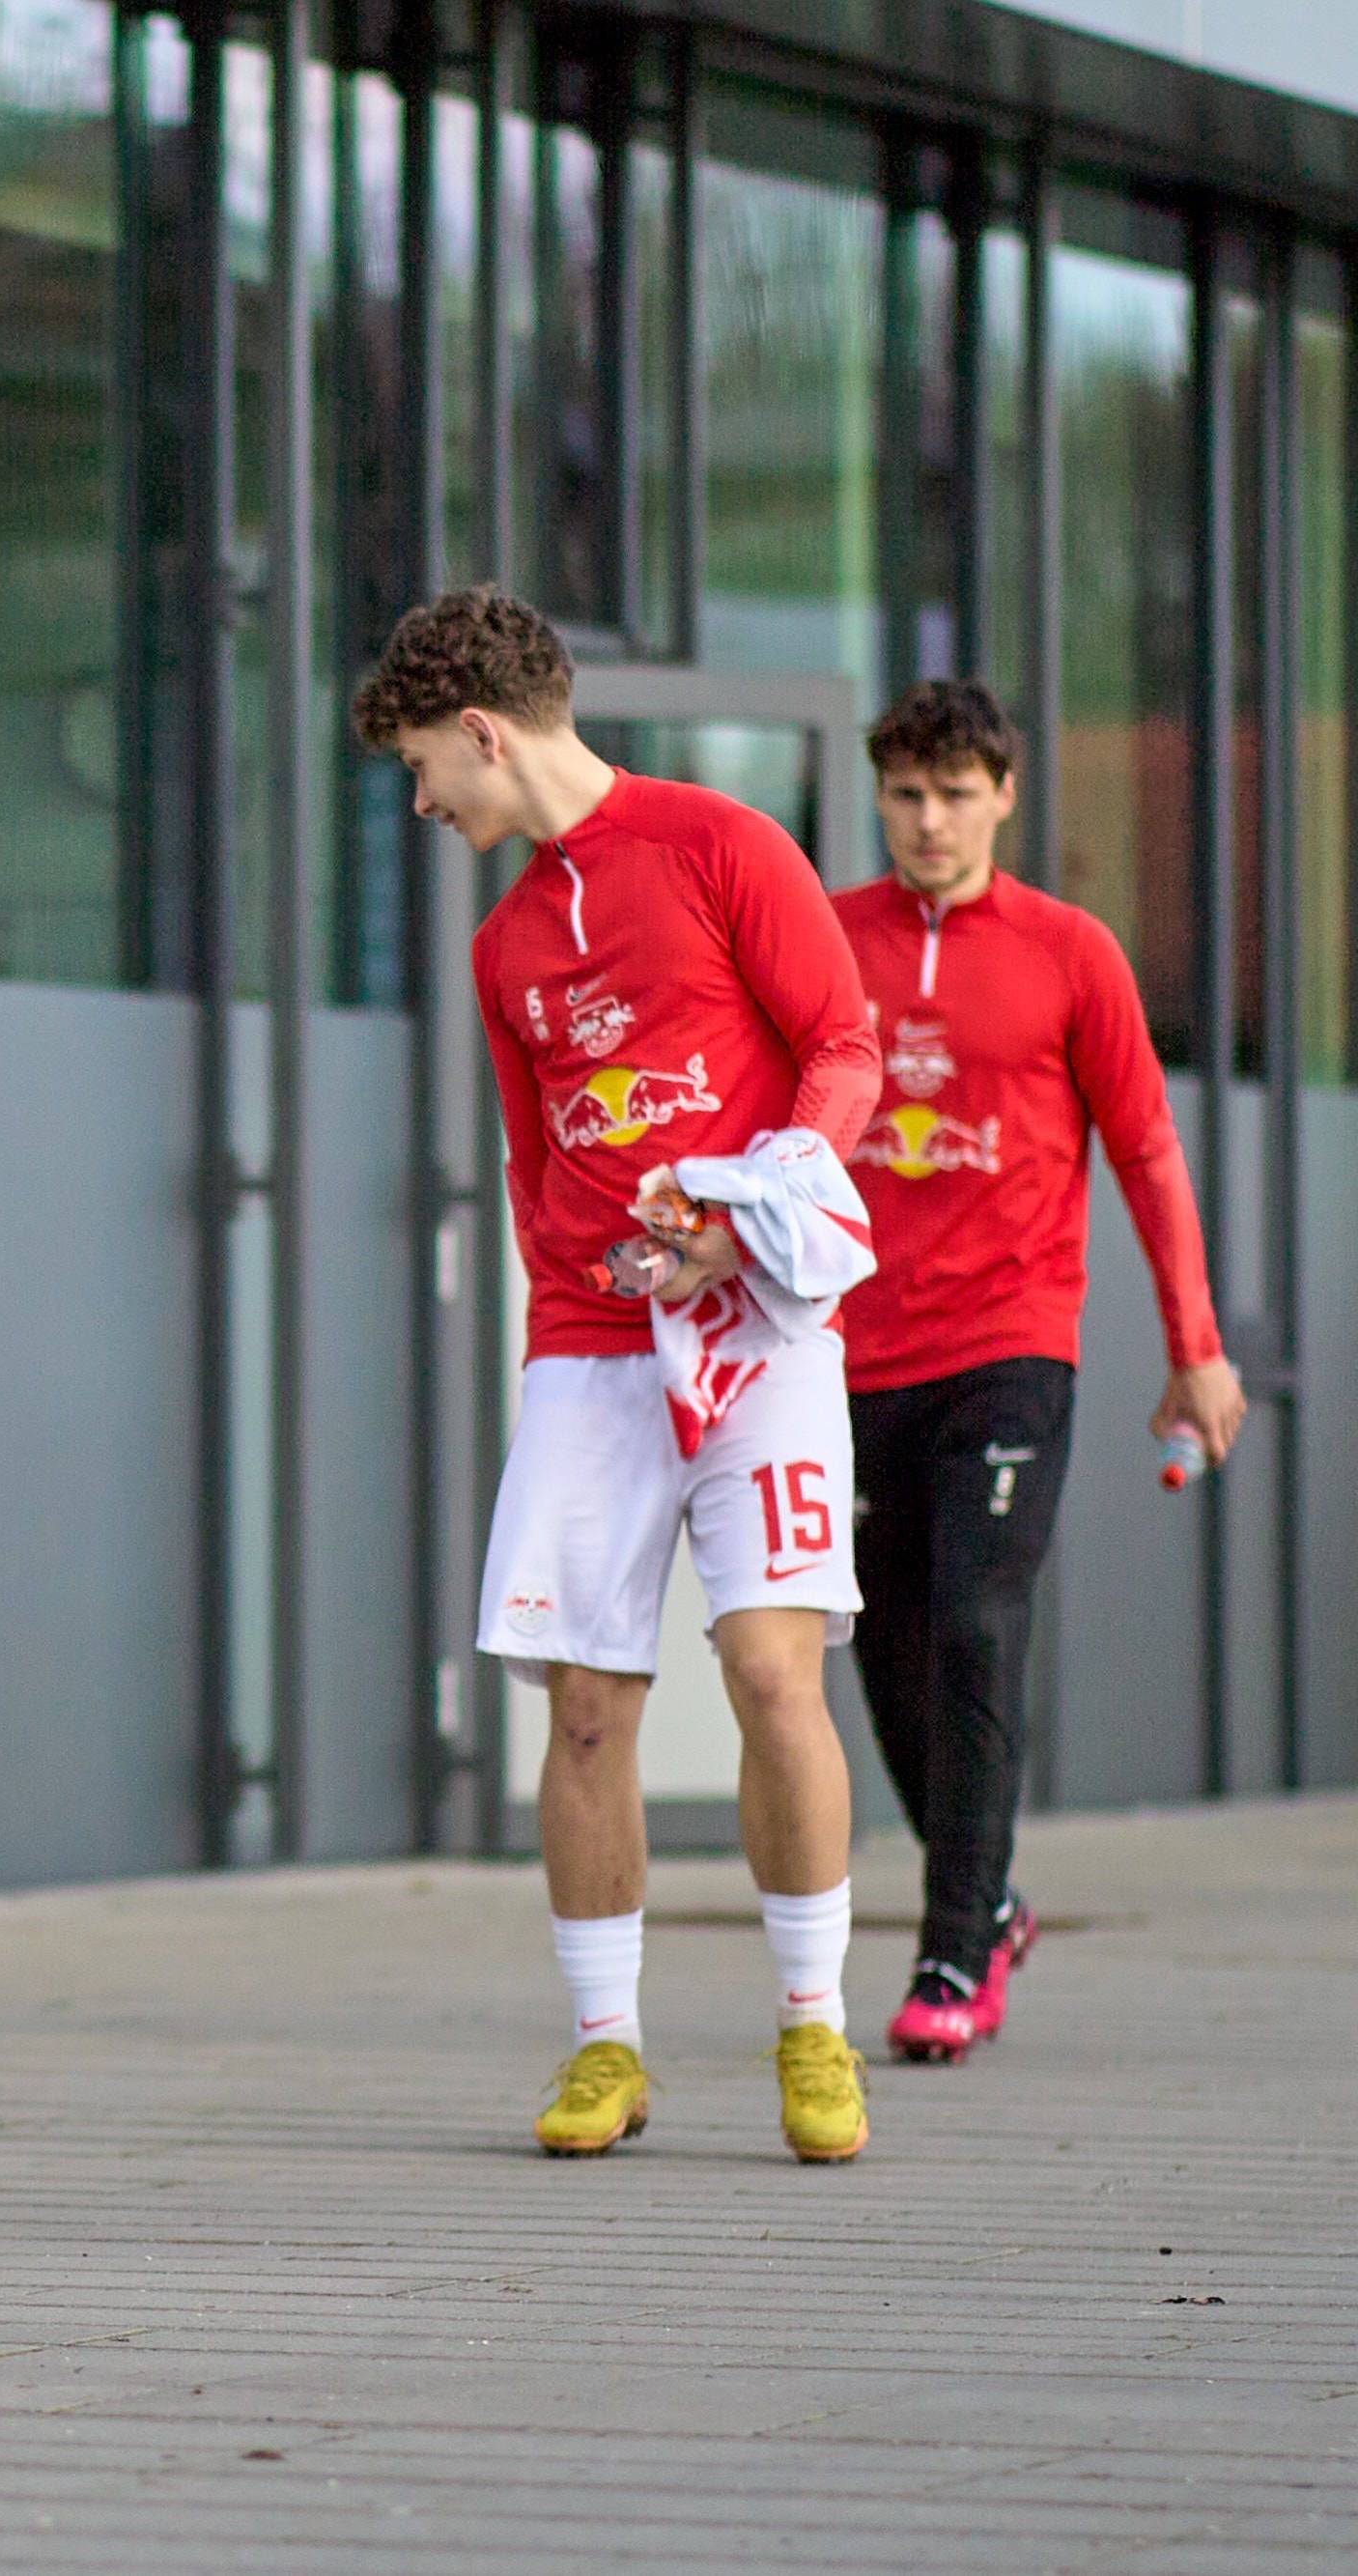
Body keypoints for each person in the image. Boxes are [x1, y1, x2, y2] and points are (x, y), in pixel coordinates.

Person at [354, 586, 884, 2165]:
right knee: (583, 1706)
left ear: (481, 733)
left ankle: (812, 2028)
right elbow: (534, 1172)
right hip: (589, 1346)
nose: (422, 801)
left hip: (760, 1325)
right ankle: (607, 2049)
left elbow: (842, 1047)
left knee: (773, 1670)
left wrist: (755, 1216)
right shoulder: (505, 943)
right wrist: (572, 1318)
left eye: (418, 768)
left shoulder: (721, 843)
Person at [832, 678, 1240, 2064]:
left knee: (974, 1620)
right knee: (882, 1654)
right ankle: (990, 1899)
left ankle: (951, 1954)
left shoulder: (1072, 953)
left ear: (1005, 795)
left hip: (1011, 1344)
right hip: (848, 1353)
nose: (929, 821)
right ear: (879, 796)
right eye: (905, 795)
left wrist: (1195, 1347)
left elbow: (1146, 1151)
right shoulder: (829, 944)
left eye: (954, 795)